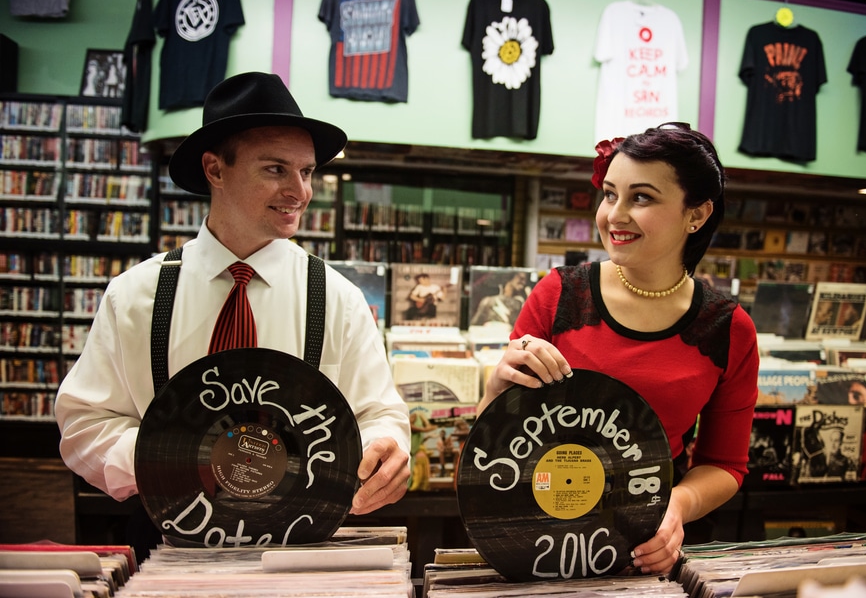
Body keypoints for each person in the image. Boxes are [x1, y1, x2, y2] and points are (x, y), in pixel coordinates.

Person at [55, 72, 411, 553]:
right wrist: (170, 459)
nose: (300, 192)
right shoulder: (136, 296)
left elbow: (377, 412)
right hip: (169, 540)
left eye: (306, 172)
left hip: (297, 544)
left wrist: (383, 449)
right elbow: (85, 421)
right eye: (275, 169)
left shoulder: (338, 299)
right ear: (215, 169)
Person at [477, 122, 759, 576]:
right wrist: (496, 387)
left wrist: (677, 505)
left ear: (697, 214)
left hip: (644, 547)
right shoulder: (558, 295)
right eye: (610, 194)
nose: (615, 215)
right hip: (535, 532)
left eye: (641, 198)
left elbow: (725, 464)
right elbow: (493, 442)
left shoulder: (728, 329)